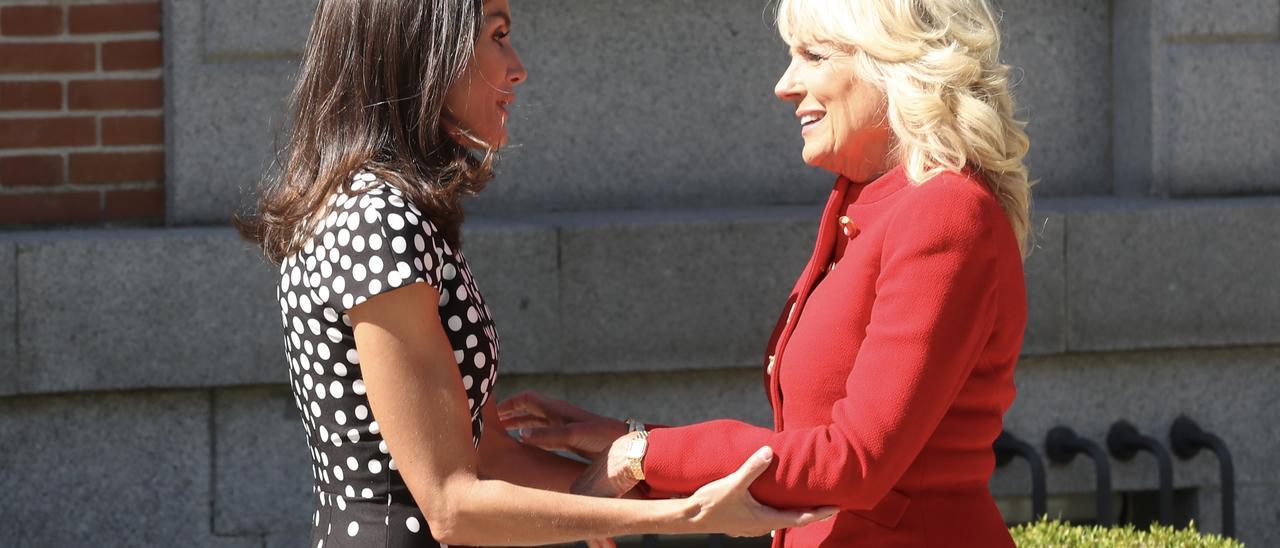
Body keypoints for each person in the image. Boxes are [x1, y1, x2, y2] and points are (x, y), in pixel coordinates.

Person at [235, 1, 835, 546]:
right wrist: (678, 517)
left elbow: (491, 455)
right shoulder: (375, 219)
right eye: (498, 35)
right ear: (426, 49)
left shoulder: (385, 209)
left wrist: (646, 484)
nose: (517, 67)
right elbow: (451, 505)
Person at [500, 0, 1033, 545]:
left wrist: (642, 456)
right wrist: (629, 440)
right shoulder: (868, 199)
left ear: (892, 62)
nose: (785, 84)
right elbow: (806, 447)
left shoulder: (944, 211)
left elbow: (853, 462)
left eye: (812, 55)